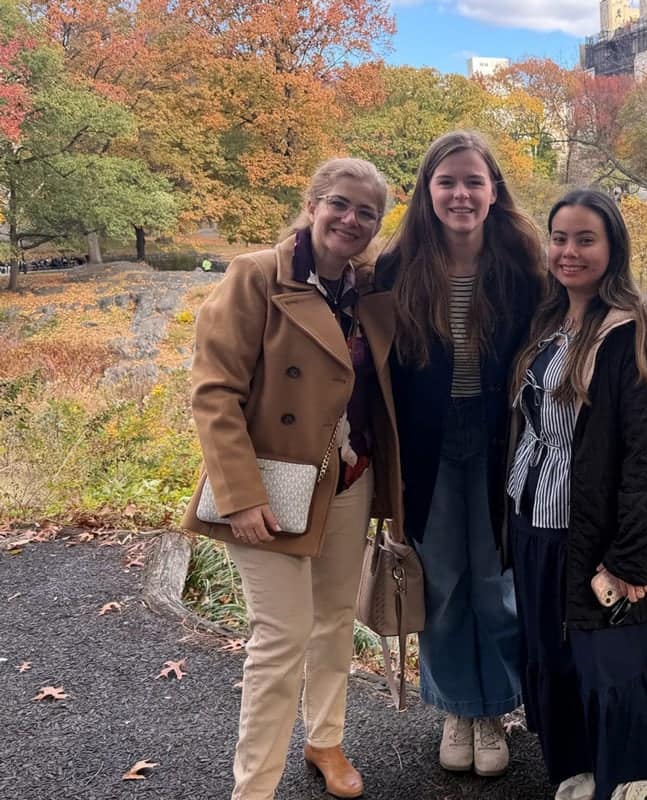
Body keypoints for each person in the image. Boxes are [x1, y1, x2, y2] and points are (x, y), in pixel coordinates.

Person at [183, 157, 400, 800]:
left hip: (349, 477)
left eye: (367, 212)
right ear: (312, 205)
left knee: (334, 619)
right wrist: (240, 495)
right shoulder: (256, 276)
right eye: (340, 204)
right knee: (280, 636)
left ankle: (324, 737)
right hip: (270, 485)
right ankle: (254, 787)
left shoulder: (369, 289)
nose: (351, 220)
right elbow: (214, 392)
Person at [507, 188, 647, 800]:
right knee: (552, 652)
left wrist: (632, 555)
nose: (569, 252)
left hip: (598, 526)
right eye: (559, 238)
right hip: (533, 517)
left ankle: (634, 773)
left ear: (613, 247)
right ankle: (577, 764)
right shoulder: (546, 322)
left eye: (586, 239)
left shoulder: (637, 334)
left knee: (612, 658)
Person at [375, 130, 544, 777]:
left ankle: (493, 708)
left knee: (496, 580)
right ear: (427, 191)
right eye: (447, 182)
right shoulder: (398, 266)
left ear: (494, 189)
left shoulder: (523, 263)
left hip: (506, 437)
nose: (461, 194)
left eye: (474, 181)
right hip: (428, 444)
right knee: (442, 579)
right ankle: (456, 708)